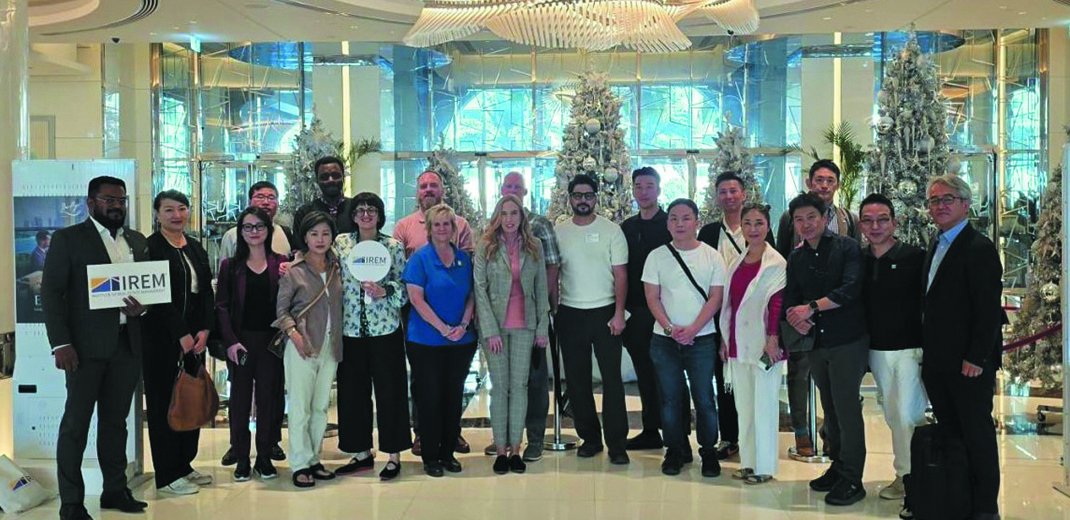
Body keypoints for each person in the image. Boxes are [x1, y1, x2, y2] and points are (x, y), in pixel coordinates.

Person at [42, 176, 150, 520]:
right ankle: (71, 503)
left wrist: (142, 307)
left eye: (121, 200)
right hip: (84, 350)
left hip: (127, 345)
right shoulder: (68, 239)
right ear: (91, 203)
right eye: (109, 200)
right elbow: (51, 294)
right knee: (76, 424)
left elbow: (146, 287)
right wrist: (61, 343)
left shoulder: (136, 240)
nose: (116, 206)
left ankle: (115, 490)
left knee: (116, 423)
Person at [922, 175, 1004, 520]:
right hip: (940, 362)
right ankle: (960, 500)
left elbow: (988, 311)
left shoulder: (978, 248)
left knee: (977, 435)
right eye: (934, 200)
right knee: (953, 434)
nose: (940, 206)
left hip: (968, 365)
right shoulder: (936, 244)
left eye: (948, 199)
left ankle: (985, 508)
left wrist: (976, 357)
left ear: (965, 205)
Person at [783, 191, 868, 506]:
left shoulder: (847, 248)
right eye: (799, 219)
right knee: (830, 411)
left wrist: (811, 309)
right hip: (816, 342)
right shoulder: (797, 256)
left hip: (848, 340)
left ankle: (853, 479)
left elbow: (850, 290)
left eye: (811, 217)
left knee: (847, 410)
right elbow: (791, 296)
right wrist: (798, 317)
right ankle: (838, 466)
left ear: (825, 218)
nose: (805, 224)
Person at [775, 159, 860, 457]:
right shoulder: (790, 220)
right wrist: (795, 314)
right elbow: (785, 263)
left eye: (829, 180)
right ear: (810, 182)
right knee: (800, 375)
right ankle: (801, 431)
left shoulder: (848, 222)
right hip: (804, 318)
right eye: (818, 180)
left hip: (837, 317)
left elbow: (853, 275)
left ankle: (834, 443)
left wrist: (816, 307)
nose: (824, 185)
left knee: (836, 389)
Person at [642, 198, 726, 477]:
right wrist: (669, 328)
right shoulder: (656, 256)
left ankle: (708, 452)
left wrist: (692, 329)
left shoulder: (712, 256)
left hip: (701, 339)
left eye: (686, 218)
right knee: (670, 398)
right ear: (667, 223)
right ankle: (675, 450)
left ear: (697, 222)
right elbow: (652, 298)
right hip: (664, 340)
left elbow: (716, 298)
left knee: (704, 398)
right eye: (674, 218)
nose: (680, 224)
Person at [393, 170, 475, 455]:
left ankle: (452, 435)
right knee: (424, 384)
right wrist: (441, 327)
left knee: (453, 387)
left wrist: (463, 325)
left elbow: (471, 284)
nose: (428, 189)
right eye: (423, 186)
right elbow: (405, 281)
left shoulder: (462, 232)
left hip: (459, 330)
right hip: (423, 324)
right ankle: (424, 434)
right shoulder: (404, 227)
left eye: (433, 185)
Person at [480, 172, 560, 463]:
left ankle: (516, 449)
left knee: (521, 387)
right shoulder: (486, 245)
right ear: (498, 215)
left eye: (514, 213)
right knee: (500, 388)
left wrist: (541, 326)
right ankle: (500, 448)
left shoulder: (534, 245)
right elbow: (480, 290)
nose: (510, 218)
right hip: (496, 330)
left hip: (525, 328)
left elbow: (541, 289)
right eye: (504, 213)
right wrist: (489, 330)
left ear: (522, 215)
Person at [333, 193, 412, 482]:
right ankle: (361, 453)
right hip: (351, 329)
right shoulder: (341, 244)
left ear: (380, 215)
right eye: (361, 210)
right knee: (353, 393)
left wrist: (386, 291)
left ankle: (393, 454)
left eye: (372, 210)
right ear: (353, 215)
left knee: (390, 392)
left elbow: (405, 290)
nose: (366, 215)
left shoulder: (393, 246)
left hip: (385, 330)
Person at [697, 171, 775, 461]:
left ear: (743, 194)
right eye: (723, 192)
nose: (729, 197)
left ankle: (756, 437)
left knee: (752, 374)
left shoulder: (757, 229)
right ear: (716, 197)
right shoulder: (708, 232)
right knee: (724, 377)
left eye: (733, 191)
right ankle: (730, 436)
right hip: (720, 312)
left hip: (754, 315)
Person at [142, 190, 215, 495]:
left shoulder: (195, 246)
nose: (177, 215)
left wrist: (204, 330)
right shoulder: (150, 248)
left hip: (194, 341)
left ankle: (185, 464)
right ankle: (167, 474)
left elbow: (206, 292)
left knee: (190, 399)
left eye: (182, 209)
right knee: (164, 405)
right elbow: (156, 297)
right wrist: (180, 332)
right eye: (169, 210)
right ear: (157, 214)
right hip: (162, 340)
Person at [554, 174, 630, 465]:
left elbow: (621, 274)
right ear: (570, 197)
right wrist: (553, 309)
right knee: (576, 380)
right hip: (570, 312)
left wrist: (619, 313)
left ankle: (617, 444)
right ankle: (590, 438)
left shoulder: (612, 231)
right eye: (577, 195)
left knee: (612, 380)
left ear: (595, 197)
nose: (582, 200)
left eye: (588, 195)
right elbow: (554, 273)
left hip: (606, 312)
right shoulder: (560, 232)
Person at [858, 193, 928, 505]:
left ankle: (911, 476)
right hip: (877, 351)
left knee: (907, 412)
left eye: (882, 219)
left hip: (911, 349)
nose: (876, 226)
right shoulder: (859, 260)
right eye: (869, 220)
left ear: (894, 222)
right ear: (860, 224)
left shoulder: (916, 257)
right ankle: (909, 470)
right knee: (891, 412)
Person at [403, 203, 478, 477]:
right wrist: (444, 329)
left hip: (461, 341)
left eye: (447, 224)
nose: (443, 228)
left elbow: (471, 295)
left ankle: (448, 452)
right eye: (437, 224)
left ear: (454, 228)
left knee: (452, 396)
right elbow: (416, 299)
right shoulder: (420, 260)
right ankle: (431, 456)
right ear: (430, 229)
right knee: (430, 398)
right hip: (426, 342)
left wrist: (463, 324)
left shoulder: (463, 259)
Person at [219, 181, 290, 467]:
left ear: (268, 230)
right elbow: (221, 305)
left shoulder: (282, 263)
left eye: (259, 227)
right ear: (240, 231)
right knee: (238, 399)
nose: (254, 232)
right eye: (247, 227)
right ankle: (240, 456)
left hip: (271, 341)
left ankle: (265, 454)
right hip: (241, 340)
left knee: (268, 397)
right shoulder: (230, 266)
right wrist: (230, 341)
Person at [274, 211, 344, 488]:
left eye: (325, 234)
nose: (320, 239)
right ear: (304, 237)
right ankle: (299, 463)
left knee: (320, 406)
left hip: (331, 344)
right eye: (314, 234)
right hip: (302, 345)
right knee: (301, 407)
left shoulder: (338, 268)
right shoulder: (294, 270)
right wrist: (294, 334)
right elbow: (281, 310)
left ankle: (314, 458)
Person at [718, 203, 786, 485]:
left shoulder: (776, 263)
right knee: (743, 407)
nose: (753, 229)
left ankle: (765, 466)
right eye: (748, 224)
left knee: (764, 407)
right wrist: (725, 340)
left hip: (764, 345)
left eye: (759, 223)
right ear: (741, 227)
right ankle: (748, 462)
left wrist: (773, 339)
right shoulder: (738, 260)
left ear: (768, 226)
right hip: (737, 342)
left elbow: (777, 304)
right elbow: (729, 305)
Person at [619, 167, 673, 451]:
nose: (644, 192)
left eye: (649, 186)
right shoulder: (627, 227)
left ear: (659, 189)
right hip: (636, 312)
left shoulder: (670, 224)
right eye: (638, 186)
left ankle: (674, 431)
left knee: (667, 374)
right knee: (644, 372)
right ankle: (651, 429)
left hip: (666, 312)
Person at [218, 181, 296, 260]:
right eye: (260, 197)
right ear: (249, 203)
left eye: (271, 198)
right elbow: (225, 269)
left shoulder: (285, 233)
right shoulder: (232, 235)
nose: (266, 202)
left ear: (278, 203)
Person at [291, 156, 355, 250]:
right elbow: (299, 248)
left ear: (343, 177)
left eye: (335, 175)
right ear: (317, 180)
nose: (331, 180)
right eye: (324, 177)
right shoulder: (304, 212)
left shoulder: (356, 208)